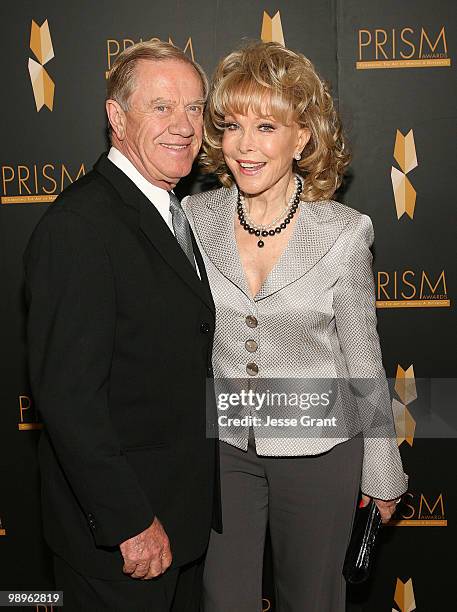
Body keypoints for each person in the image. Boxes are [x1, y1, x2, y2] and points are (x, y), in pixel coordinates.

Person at [183, 41, 408, 612]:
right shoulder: (193, 217)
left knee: (313, 600)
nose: (245, 145)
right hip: (224, 445)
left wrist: (382, 468)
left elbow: (363, 360)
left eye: (266, 125)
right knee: (222, 599)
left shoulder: (345, 232)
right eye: (233, 125)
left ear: (302, 135)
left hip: (320, 451)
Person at [24, 40, 220, 612]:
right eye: (161, 107)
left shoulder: (170, 210)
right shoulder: (80, 227)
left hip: (178, 525)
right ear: (117, 116)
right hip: (125, 543)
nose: (184, 126)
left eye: (194, 108)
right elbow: (67, 398)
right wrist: (129, 522)